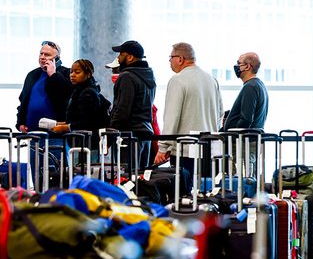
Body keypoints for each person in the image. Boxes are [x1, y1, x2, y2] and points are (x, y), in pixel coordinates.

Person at [154, 42, 223, 165]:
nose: (169, 62)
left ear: (180, 59)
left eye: (171, 58)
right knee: (205, 184)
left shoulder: (178, 80)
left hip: (185, 151)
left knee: (185, 184)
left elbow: (172, 117)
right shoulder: (211, 79)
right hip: (210, 149)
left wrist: (163, 147)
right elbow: (220, 114)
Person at [110, 40, 156, 169]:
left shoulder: (127, 77)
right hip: (145, 133)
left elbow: (122, 110)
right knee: (140, 179)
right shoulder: (149, 76)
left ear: (130, 57)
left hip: (128, 136)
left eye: (121, 54)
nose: (118, 58)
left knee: (126, 178)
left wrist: (111, 133)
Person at [16, 40, 73, 133]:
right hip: (32, 132)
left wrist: (53, 75)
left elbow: (65, 96)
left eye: (47, 55)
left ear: (57, 59)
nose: (42, 57)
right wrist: (20, 123)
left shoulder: (67, 74)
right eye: (41, 54)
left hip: (56, 133)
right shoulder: (32, 75)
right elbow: (23, 101)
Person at [51, 59, 110, 145]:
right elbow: (77, 117)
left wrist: (64, 127)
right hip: (80, 140)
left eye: (77, 72)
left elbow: (87, 122)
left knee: (85, 159)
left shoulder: (87, 94)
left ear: (88, 74)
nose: (72, 75)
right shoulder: (78, 91)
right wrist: (58, 124)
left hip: (86, 142)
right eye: (71, 72)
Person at [222, 52, 268, 131]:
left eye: (239, 63)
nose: (236, 66)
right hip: (249, 140)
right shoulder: (258, 85)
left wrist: (233, 132)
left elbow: (246, 120)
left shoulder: (250, 87)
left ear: (247, 66)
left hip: (243, 141)